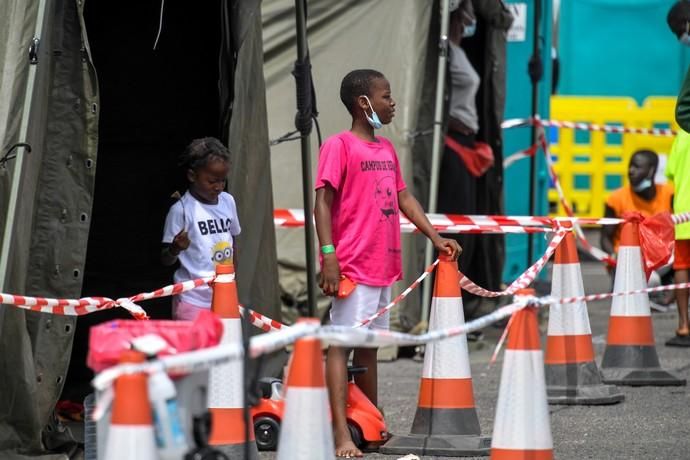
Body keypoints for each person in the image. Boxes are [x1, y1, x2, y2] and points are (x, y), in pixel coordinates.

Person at [314, 69, 461, 458]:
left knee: (369, 348)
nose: (392, 103)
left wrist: (435, 237)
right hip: (353, 266)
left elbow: (404, 200)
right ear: (364, 103)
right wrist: (329, 258)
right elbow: (322, 204)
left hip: (383, 267)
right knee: (341, 345)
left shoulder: (386, 150)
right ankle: (341, 434)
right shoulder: (339, 145)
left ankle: (371, 425)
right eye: (386, 96)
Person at [162, 137, 241, 321]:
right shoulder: (181, 210)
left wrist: (232, 280)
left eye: (223, 181)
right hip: (192, 301)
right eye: (212, 181)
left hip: (224, 295)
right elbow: (165, 259)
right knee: (196, 349)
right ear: (192, 176)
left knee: (226, 347)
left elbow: (234, 239)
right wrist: (175, 248)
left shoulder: (228, 201)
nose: (218, 187)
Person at [666, 2, 690, 345]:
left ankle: (684, 323)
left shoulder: (681, 139)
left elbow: (670, 173)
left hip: (683, 215)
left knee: (683, 267)